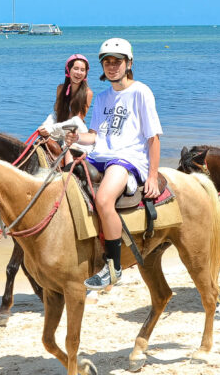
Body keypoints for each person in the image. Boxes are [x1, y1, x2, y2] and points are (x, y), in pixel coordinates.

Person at [65, 38, 163, 290]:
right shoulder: (101, 98)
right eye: (107, 62)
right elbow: (95, 136)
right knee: (64, 180)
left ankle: (113, 267)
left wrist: (152, 176)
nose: (111, 67)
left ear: (129, 63)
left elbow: (153, 137)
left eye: (117, 62)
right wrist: (76, 138)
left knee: (104, 199)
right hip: (101, 154)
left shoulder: (141, 91)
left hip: (128, 158)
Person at [38, 54, 93, 165]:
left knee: (69, 152)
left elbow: (76, 121)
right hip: (59, 128)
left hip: (75, 131)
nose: (79, 73)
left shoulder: (88, 93)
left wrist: (51, 129)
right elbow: (56, 113)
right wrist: (45, 126)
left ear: (86, 73)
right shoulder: (60, 88)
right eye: (76, 68)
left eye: (82, 70)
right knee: (39, 140)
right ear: (68, 70)